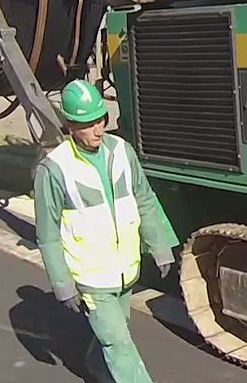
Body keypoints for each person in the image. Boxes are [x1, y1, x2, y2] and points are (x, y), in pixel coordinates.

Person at [33, 79, 175, 383]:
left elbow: (144, 199)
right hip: (91, 276)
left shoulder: (123, 151)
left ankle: (97, 367)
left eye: (101, 120)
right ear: (70, 126)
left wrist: (160, 245)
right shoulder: (54, 169)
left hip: (125, 269)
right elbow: (47, 234)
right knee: (118, 342)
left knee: (116, 329)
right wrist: (63, 284)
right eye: (88, 124)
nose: (98, 130)